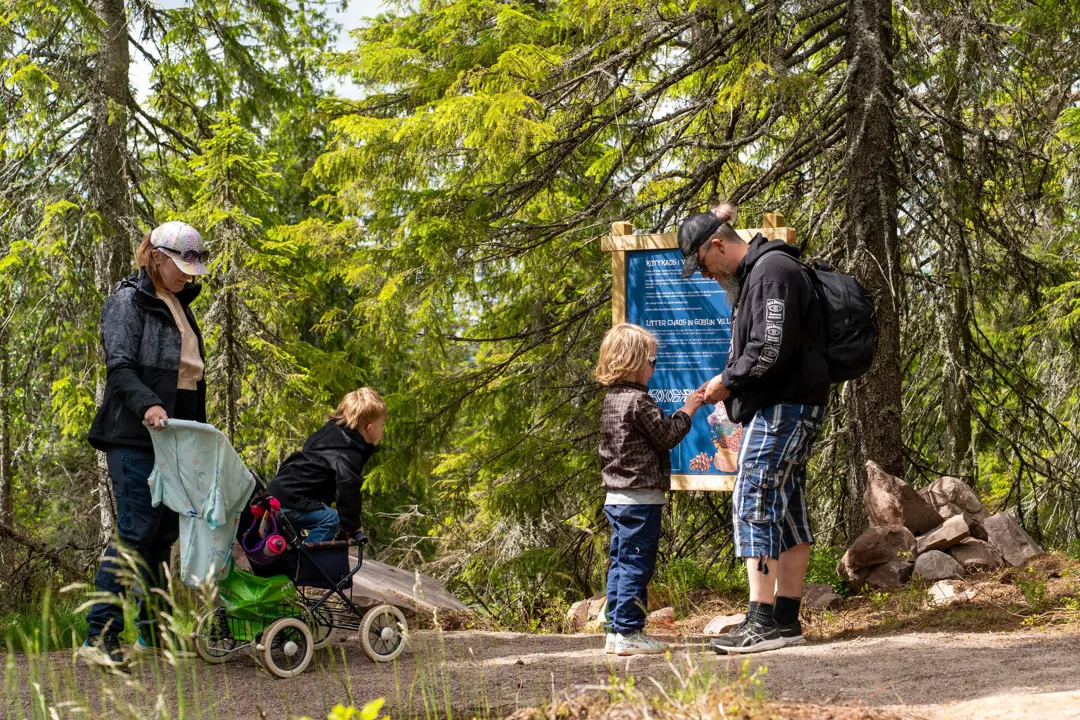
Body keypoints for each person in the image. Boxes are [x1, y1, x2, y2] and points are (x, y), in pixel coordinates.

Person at [677, 204, 830, 654]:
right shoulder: (764, 274)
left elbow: (770, 347)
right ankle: (785, 620)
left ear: (718, 245)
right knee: (787, 509)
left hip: (783, 408)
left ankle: (761, 622)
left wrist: (727, 382)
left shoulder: (772, 271)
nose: (705, 275)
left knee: (755, 498)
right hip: (788, 405)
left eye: (702, 264)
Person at [82, 221, 211, 667]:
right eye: (182, 265)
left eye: (193, 268)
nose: (188, 275)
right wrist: (149, 406)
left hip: (178, 438)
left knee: (162, 536)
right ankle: (99, 638)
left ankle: (152, 636)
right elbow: (119, 368)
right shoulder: (127, 301)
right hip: (137, 435)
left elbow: (190, 378)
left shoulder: (177, 303)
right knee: (136, 531)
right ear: (155, 256)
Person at [594, 323, 705, 655]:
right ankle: (629, 632)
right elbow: (666, 436)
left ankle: (616, 629)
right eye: (652, 361)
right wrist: (688, 410)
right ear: (632, 362)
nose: (654, 368)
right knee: (636, 564)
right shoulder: (639, 401)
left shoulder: (612, 399)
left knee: (621, 562)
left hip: (617, 496)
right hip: (640, 497)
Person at [267, 388, 386, 543]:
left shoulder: (328, 434)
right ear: (370, 428)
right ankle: (308, 565)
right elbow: (347, 490)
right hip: (292, 501)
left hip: (279, 494)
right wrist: (353, 527)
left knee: (293, 541)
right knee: (331, 520)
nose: (382, 430)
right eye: (382, 425)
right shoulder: (348, 453)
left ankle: (294, 559)